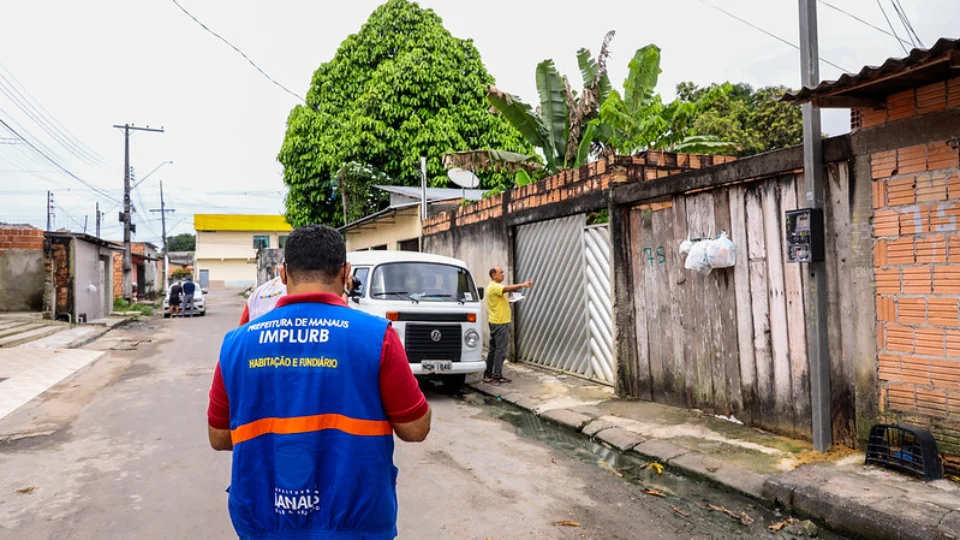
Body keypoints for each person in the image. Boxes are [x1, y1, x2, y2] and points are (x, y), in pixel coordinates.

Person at [207, 224, 431, 540]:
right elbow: (416, 429)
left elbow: (219, 437)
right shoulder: (377, 336)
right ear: (345, 272)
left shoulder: (237, 343)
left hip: (264, 520)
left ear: (283, 274)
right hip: (356, 520)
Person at [484, 267, 533, 385]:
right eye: (500, 272)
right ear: (493, 275)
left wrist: (511, 300)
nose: (503, 274)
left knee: (493, 350)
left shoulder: (493, 287)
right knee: (500, 351)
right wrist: (523, 285)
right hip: (500, 323)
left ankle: (488, 374)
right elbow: (506, 288)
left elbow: (499, 302)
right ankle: (496, 377)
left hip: (495, 321)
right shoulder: (495, 286)